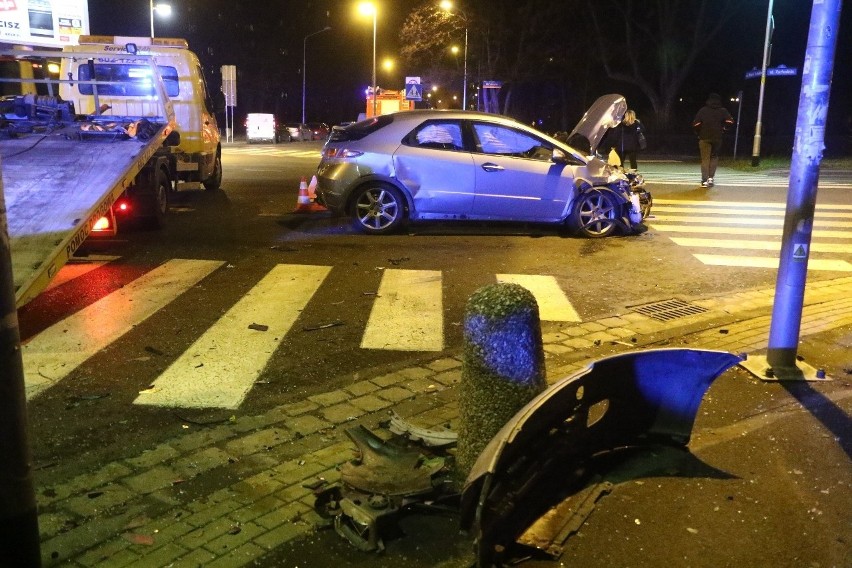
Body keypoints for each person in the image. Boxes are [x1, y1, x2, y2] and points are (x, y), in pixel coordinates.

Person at [692, 93, 735, 187]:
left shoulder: (703, 110)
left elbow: (695, 124)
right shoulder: (723, 110)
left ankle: (704, 180)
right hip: (717, 137)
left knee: (705, 159)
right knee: (714, 157)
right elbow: (730, 121)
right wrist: (724, 128)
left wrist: (698, 132)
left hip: (704, 137)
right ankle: (711, 178)